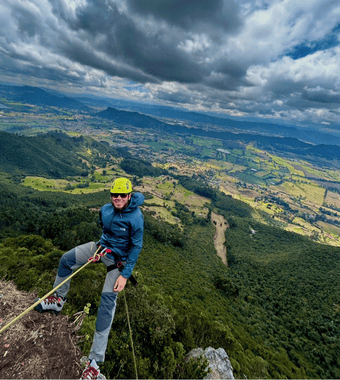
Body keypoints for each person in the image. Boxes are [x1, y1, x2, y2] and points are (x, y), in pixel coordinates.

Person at [35, 177, 144, 380]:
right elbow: (105, 229)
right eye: (114, 194)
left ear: (130, 196)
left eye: (122, 195)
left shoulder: (136, 218)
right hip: (101, 249)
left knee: (107, 304)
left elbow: (136, 246)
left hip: (118, 262)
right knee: (66, 260)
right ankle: (58, 300)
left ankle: (94, 363)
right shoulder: (105, 209)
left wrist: (125, 276)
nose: (118, 198)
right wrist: (98, 253)